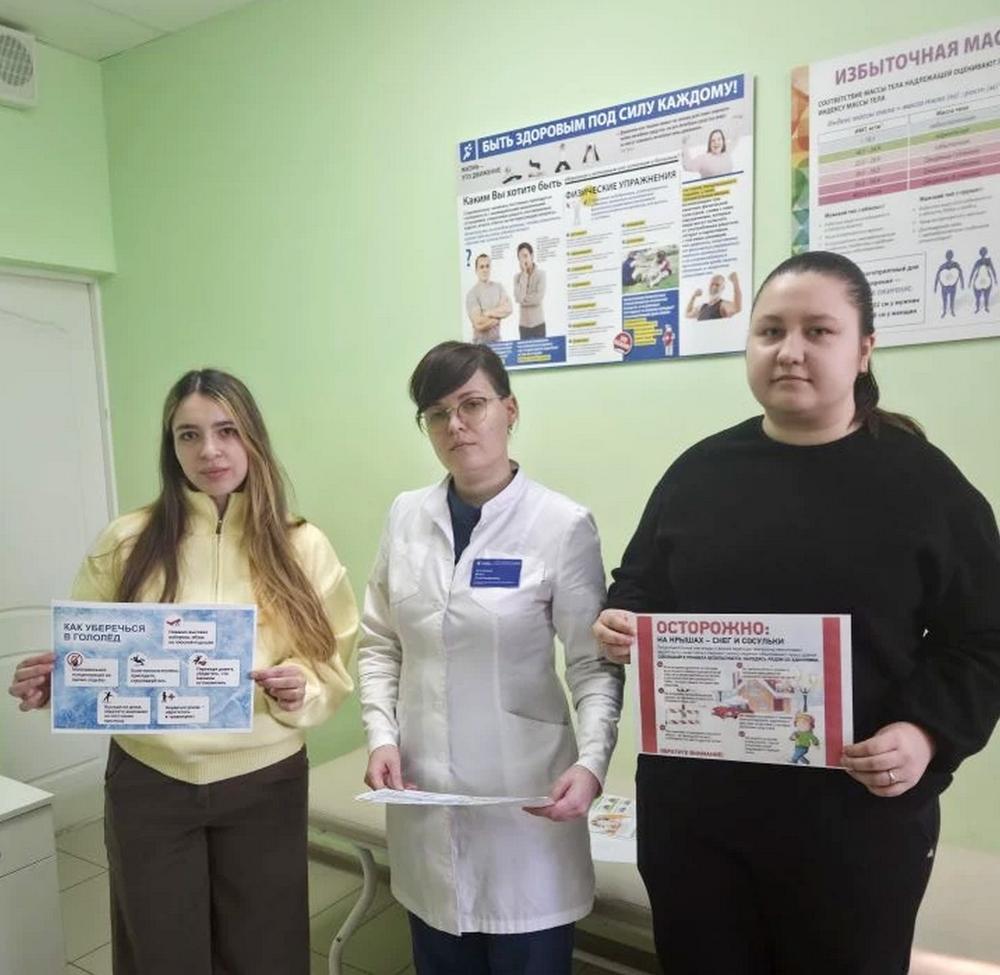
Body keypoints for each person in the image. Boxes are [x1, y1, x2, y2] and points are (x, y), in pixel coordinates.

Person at [593, 251, 1000, 975]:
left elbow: (983, 638)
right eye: (770, 330)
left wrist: (925, 733)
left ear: (864, 348)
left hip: (853, 825)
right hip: (698, 824)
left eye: (819, 331)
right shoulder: (698, 474)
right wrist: (621, 620)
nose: (789, 350)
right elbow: (640, 586)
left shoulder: (925, 485)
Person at [8, 369, 358, 975]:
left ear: (253, 438)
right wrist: (57, 683)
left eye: (226, 431)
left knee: (265, 948)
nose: (209, 451)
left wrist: (301, 687)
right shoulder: (126, 541)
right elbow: (91, 653)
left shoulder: (302, 545)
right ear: (171, 448)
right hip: (150, 780)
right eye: (188, 435)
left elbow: (330, 656)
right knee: (161, 949)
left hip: (263, 780)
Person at [359, 341, 623, 975]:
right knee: (439, 955)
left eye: (472, 404)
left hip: (524, 804)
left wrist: (591, 763)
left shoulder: (562, 524)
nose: (456, 424)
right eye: (437, 413)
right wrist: (380, 735)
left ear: (510, 410)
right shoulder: (405, 516)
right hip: (423, 794)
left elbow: (592, 665)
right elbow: (379, 642)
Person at [465, 254, 513, 344]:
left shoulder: (499, 287)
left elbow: (509, 309)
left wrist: (487, 313)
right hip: (479, 345)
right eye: (481, 267)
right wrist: (497, 319)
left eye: (487, 266)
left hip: (498, 342)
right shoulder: (472, 294)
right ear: (476, 270)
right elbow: (478, 323)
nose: (485, 270)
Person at [513, 242, 547, 339]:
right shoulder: (517, 277)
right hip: (523, 326)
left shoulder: (541, 274)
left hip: (538, 324)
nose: (523, 260)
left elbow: (538, 299)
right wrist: (524, 274)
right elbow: (518, 298)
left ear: (532, 256)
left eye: (525, 256)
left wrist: (522, 299)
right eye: (520, 258)